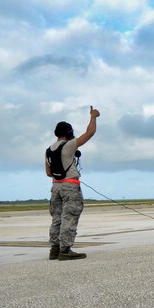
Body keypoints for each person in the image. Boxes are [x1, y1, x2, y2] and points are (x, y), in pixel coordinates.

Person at [45, 106, 99, 261]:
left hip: (55, 187)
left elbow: (48, 173)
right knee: (70, 216)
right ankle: (65, 250)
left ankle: (54, 249)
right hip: (70, 186)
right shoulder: (68, 145)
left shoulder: (48, 150)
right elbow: (90, 133)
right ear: (69, 133)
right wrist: (93, 117)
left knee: (57, 217)